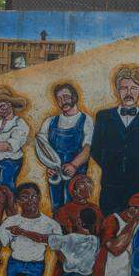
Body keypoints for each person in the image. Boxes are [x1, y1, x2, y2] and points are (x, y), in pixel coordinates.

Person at [90, 64, 139, 216]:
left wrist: (135, 165)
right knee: (110, 225)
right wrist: (111, 166)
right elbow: (95, 149)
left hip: (138, 183)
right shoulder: (103, 117)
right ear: (117, 90)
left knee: (137, 224)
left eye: (133, 88)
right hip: (110, 184)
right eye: (124, 88)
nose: (129, 92)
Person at [35, 83, 94, 211]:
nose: (63, 101)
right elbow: (41, 146)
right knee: (57, 207)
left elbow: (88, 148)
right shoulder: (49, 122)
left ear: (74, 97)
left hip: (76, 174)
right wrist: (49, 167)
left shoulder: (86, 120)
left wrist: (74, 165)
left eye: (66, 97)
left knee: (74, 208)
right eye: (60, 99)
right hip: (55, 175)